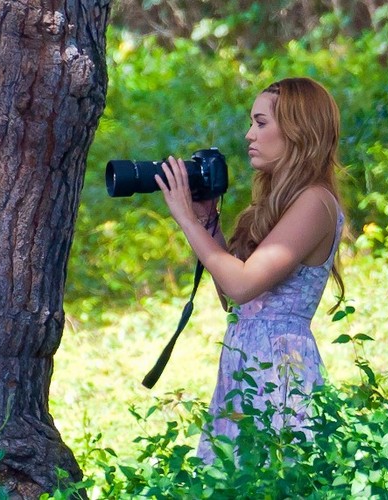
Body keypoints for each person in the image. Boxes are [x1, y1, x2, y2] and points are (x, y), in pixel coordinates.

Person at [154, 77, 345, 463]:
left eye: (261, 123)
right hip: (245, 363)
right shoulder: (278, 201)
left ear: (297, 130)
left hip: (279, 367)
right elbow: (233, 296)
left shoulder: (315, 201)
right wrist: (210, 224)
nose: (248, 135)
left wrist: (186, 220)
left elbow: (241, 286)